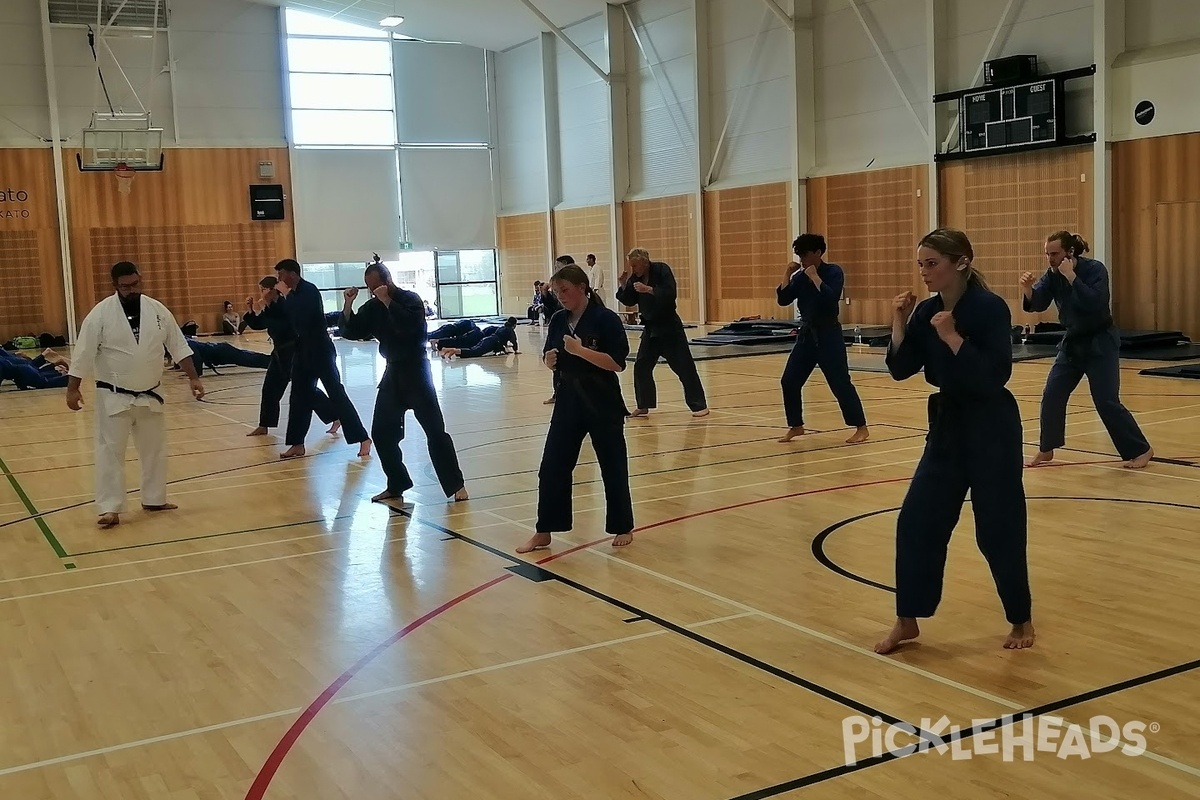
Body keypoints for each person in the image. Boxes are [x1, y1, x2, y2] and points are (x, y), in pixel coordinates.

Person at [875, 228, 1034, 654]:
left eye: (932, 263)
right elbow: (900, 368)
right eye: (921, 264)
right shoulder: (927, 310)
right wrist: (899, 321)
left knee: (997, 527)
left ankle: (1021, 619)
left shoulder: (988, 308)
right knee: (916, 521)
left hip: (991, 427)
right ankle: (907, 620)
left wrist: (952, 337)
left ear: (961, 262)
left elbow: (995, 375)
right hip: (947, 426)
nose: (925, 272)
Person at [67, 261, 205, 529]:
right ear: (114, 286)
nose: (132, 290)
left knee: (154, 450)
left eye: (136, 284)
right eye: (125, 286)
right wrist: (73, 388)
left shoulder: (157, 310)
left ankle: (154, 499)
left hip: (151, 393)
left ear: (141, 279)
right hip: (114, 395)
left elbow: (178, 344)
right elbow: (83, 354)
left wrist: (194, 377)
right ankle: (110, 508)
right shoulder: (100, 314)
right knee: (110, 453)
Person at [517, 264, 634, 553]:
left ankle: (622, 525)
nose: (561, 297)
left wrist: (581, 351)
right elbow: (548, 353)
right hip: (568, 400)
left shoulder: (606, 319)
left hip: (602, 401)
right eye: (556, 292)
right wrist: (549, 360)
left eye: (565, 291)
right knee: (552, 466)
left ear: (583, 288)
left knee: (612, 466)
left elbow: (617, 363)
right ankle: (544, 529)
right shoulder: (558, 319)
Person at [1022, 231, 1153, 469]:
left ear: (1069, 252)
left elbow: (1096, 302)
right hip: (1073, 343)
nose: (1050, 259)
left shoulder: (1095, 270)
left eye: (1055, 254)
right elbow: (1038, 303)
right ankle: (1046, 448)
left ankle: (1141, 449)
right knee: (1052, 394)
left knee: (1106, 401)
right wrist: (1029, 290)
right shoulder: (1052, 275)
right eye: (1047, 254)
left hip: (1100, 342)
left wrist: (1072, 277)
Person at [340, 262, 468, 504]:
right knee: (381, 432)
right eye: (369, 287)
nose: (373, 291)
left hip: (417, 372)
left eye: (376, 285)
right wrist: (348, 304)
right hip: (393, 374)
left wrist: (388, 301)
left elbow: (411, 328)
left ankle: (456, 485)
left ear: (387, 280)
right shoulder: (372, 307)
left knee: (435, 431)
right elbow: (352, 331)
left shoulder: (411, 300)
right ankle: (396, 483)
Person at [775, 234, 869, 444]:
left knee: (840, 383)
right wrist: (787, 274)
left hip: (829, 335)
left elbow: (830, 298)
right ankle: (796, 425)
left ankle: (861, 427)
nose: (802, 259)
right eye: (799, 255)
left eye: (805, 254)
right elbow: (783, 299)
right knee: (789, 381)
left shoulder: (833, 271)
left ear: (818, 253)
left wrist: (815, 277)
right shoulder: (799, 276)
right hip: (807, 335)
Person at [274, 259, 371, 460]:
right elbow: (287, 320)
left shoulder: (309, 290)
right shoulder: (291, 295)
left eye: (281, 274)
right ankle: (297, 443)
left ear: (292, 274)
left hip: (320, 351)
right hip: (302, 352)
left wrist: (286, 295)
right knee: (299, 397)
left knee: (336, 394)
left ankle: (362, 437)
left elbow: (304, 317)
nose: (279, 279)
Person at [241, 276, 339, 438]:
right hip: (278, 353)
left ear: (273, 290)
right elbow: (259, 324)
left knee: (306, 391)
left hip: (292, 352)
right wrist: (251, 310)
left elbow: (282, 325)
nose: (262, 293)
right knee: (269, 389)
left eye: (264, 289)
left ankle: (334, 416)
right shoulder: (271, 306)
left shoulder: (285, 304)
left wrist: (266, 306)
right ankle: (264, 424)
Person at [616, 247, 709, 418]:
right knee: (642, 366)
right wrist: (623, 284)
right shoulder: (635, 277)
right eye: (631, 266)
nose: (633, 270)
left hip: (669, 327)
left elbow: (670, 293)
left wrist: (649, 289)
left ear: (644, 262)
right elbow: (628, 299)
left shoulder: (661, 270)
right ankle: (643, 406)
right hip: (651, 329)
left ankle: (699, 405)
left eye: (635, 266)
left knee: (684, 367)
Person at [438, 318, 519, 359]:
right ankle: (454, 351)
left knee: (472, 349)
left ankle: (448, 349)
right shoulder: (510, 330)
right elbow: (514, 341)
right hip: (491, 342)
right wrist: (515, 351)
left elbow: (501, 342)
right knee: (474, 352)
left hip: (486, 339)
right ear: (514, 325)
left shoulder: (501, 327)